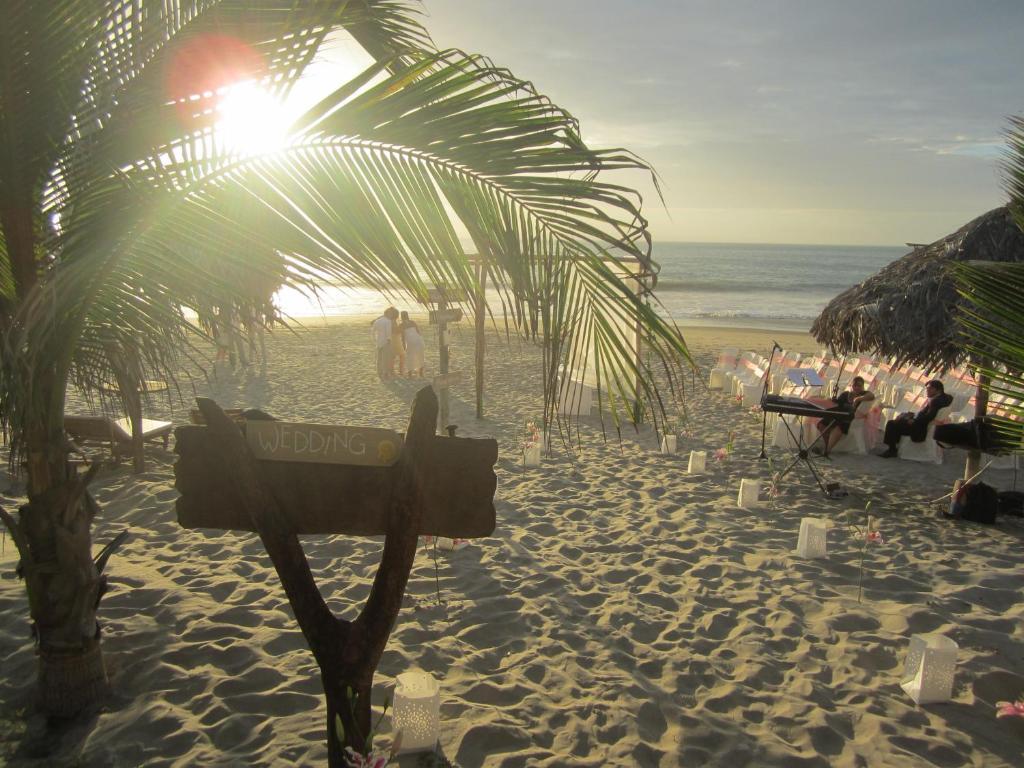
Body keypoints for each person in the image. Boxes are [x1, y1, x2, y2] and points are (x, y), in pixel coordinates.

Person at [880, 379, 954, 458]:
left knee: (891, 424)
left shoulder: (935, 401)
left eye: (929, 389)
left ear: (938, 390)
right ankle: (894, 445)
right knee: (901, 418)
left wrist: (913, 420)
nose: (927, 391)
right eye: (927, 389)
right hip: (921, 423)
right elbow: (927, 414)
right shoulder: (946, 398)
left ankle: (892, 449)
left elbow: (929, 417)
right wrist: (911, 415)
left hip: (919, 428)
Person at [815, 375, 875, 457]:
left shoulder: (864, 394)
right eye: (855, 385)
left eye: (859, 386)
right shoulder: (846, 394)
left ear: (863, 386)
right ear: (852, 386)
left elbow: (872, 396)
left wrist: (858, 399)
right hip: (838, 414)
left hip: (848, 418)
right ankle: (826, 447)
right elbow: (837, 404)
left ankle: (827, 451)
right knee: (821, 424)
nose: (857, 387)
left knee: (839, 427)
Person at [370, 307, 395, 381]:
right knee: (386, 358)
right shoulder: (388, 321)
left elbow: (373, 331)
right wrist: (389, 341)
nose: (391, 315)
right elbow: (388, 333)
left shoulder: (377, 321)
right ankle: (385, 374)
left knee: (379, 358)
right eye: (391, 314)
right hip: (386, 341)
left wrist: (374, 340)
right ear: (387, 313)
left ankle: (379, 372)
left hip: (379, 341)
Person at [400, 310, 426, 378]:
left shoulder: (402, 325)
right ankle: (421, 373)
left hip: (411, 342)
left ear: (401, 317)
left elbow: (403, 337)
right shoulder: (413, 322)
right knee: (420, 356)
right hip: (419, 340)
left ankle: (410, 374)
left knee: (410, 357)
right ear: (408, 316)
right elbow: (418, 332)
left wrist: (404, 347)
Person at [388, 307, 405, 377]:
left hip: (393, 339)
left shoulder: (390, 321)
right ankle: (400, 371)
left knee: (393, 356)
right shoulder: (393, 322)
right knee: (401, 355)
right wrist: (401, 329)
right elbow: (395, 331)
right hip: (395, 340)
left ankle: (393, 371)